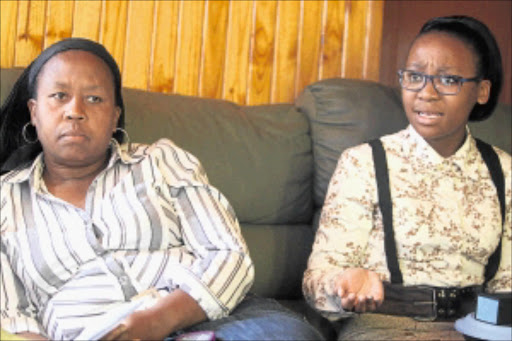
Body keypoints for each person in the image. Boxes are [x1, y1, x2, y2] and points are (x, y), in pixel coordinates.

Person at [0, 38, 323, 341]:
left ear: (114, 118)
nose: (75, 110)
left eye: (94, 98)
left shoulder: (162, 161)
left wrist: (158, 321)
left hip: (209, 318)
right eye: (59, 96)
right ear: (34, 111)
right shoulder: (6, 200)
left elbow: (228, 255)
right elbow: (13, 315)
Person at [303, 15, 511, 340]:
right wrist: (343, 285)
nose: (426, 93)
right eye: (414, 76)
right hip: (386, 326)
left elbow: (507, 285)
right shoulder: (363, 163)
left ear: (481, 91)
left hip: (478, 329)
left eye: (448, 80)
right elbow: (317, 282)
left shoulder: (504, 171)